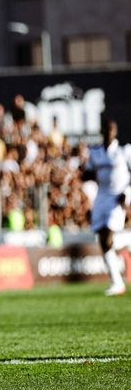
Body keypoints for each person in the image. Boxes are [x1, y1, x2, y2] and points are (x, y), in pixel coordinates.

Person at [84, 118, 131, 296]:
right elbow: (87, 173)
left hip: (117, 197)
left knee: (108, 236)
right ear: (103, 130)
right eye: (107, 128)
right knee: (103, 240)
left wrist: (127, 192)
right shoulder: (95, 152)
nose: (110, 131)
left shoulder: (124, 151)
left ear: (116, 131)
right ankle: (117, 282)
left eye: (113, 128)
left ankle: (127, 241)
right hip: (101, 197)